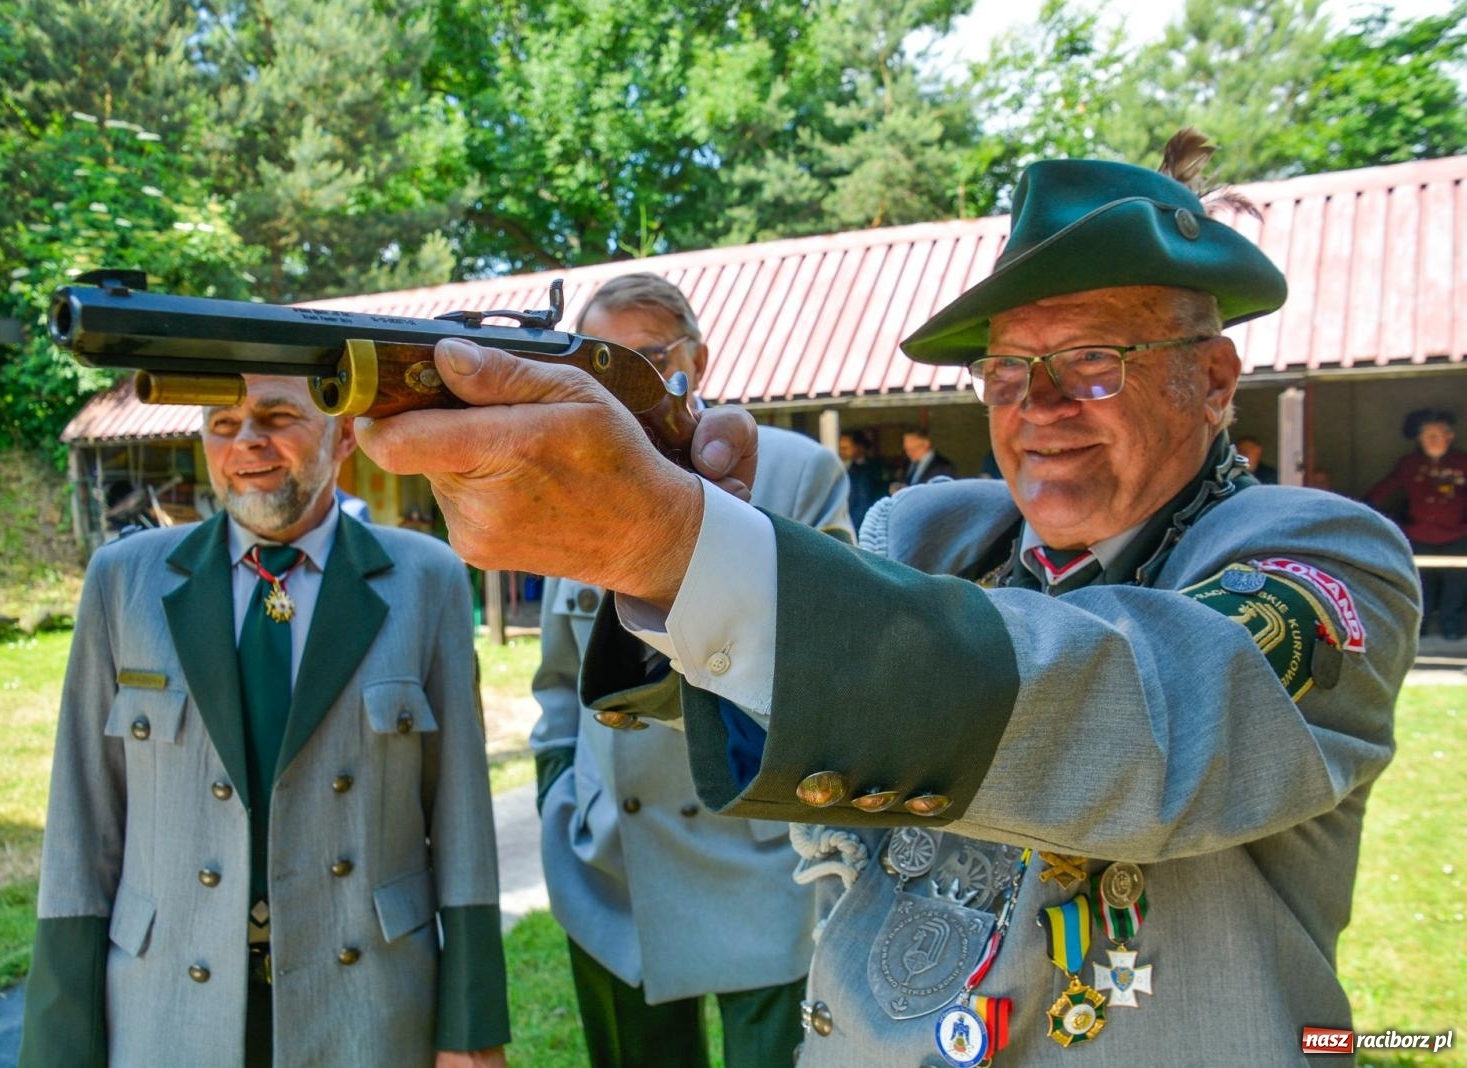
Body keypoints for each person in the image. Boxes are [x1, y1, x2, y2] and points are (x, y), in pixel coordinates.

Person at [353, 131, 1419, 1065]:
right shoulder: (930, 532)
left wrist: (678, 544)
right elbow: (761, 691)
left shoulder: (1324, 557)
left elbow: (1147, 707)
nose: (1039, 407)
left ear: (1215, 381)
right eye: (1007, 372)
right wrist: (679, 541)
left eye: (1093, 362)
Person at [19, 374, 509, 1067]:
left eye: (277, 417)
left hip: (369, 1003)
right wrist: (60, 1047)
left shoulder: (426, 579)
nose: (247, 441)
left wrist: (470, 1028)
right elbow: (81, 819)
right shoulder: (123, 581)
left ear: (343, 434)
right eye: (223, 424)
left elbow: (461, 816)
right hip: (168, 1005)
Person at [530, 273, 853, 1068]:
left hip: (763, 863)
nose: (617, 381)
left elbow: (832, 660)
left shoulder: (795, 471)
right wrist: (560, 798)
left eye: (643, 356)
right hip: (613, 867)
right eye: (596, 359)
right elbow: (558, 680)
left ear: (696, 361)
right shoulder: (564, 485)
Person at [1365, 409, 1467, 639]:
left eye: (1436, 435)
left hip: (1458, 535)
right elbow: (1383, 490)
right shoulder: (1410, 464)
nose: (1431, 440)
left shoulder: (1463, 462)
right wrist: (1361, 510)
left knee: (1457, 584)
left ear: (1449, 436)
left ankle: (1452, 629)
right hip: (1419, 534)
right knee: (1420, 585)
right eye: (1426, 436)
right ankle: (1418, 631)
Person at [842, 430, 887, 531]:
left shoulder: (870, 468)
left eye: (845, 448)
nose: (842, 451)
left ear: (859, 447)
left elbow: (863, 502)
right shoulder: (844, 466)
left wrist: (850, 527)